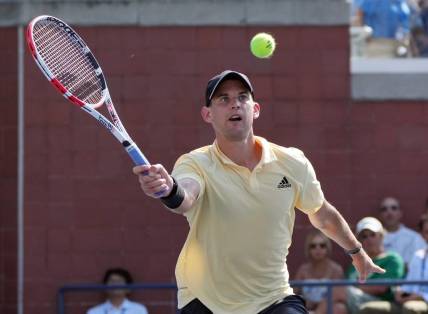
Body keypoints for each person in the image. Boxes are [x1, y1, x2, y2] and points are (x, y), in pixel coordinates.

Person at [133, 70, 384, 314]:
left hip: (272, 298)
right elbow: (185, 197)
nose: (235, 105)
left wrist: (356, 251)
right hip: (205, 301)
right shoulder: (195, 163)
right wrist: (168, 189)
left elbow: (322, 214)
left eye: (242, 97)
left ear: (255, 109)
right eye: (224, 99)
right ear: (207, 114)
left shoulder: (292, 162)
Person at [346, 217, 405, 314]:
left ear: (381, 236)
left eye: (372, 235)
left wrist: (354, 286)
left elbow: (381, 288)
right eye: (364, 236)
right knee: (338, 308)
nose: (369, 239)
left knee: (338, 291)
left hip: (382, 301)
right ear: (359, 241)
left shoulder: (392, 259)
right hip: (354, 300)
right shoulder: (355, 262)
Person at [294, 229, 347, 314]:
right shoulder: (303, 270)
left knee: (340, 308)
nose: (318, 249)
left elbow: (341, 296)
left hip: (328, 310)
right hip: (306, 309)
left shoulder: (336, 270)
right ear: (308, 249)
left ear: (327, 248)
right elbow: (293, 294)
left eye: (322, 245)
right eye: (313, 246)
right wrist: (305, 302)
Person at [378, 196, 426, 266]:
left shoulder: (414, 238)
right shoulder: (372, 238)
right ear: (380, 215)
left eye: (394, 208)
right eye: (384, 209)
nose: (389, 212)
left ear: (400, 213)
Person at [394, 216, 428, 314]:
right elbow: (409, 284)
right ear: (422, 235)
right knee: (369, 308)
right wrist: (400, 291)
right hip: (413, 300)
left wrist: (421, 296)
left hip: (419, 301)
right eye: (427, 232)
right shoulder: (418, 255)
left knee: (410, 308)